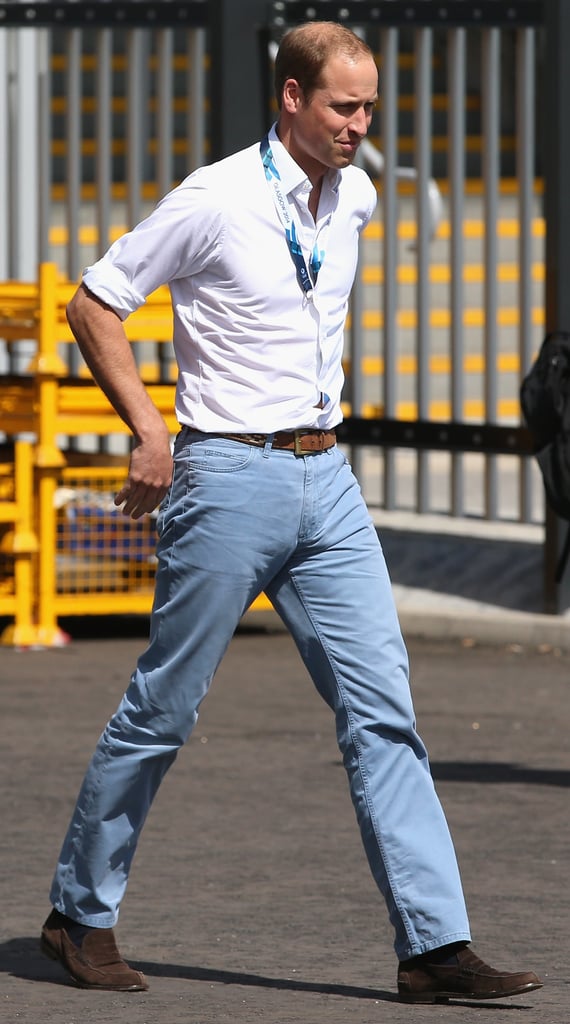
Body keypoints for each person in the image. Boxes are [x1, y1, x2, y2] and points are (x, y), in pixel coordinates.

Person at [40, 22, 542, 1003]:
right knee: (165, 709)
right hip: (229, 476)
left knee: (383, 712)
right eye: (345, 107)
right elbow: (97, 303)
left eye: (370, 107)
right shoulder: (216, 197)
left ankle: (434, 947)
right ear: (293, 100)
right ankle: (78, 914)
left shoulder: (352, 195)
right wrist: (148, 426)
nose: (363, 125)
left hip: (330, 483)